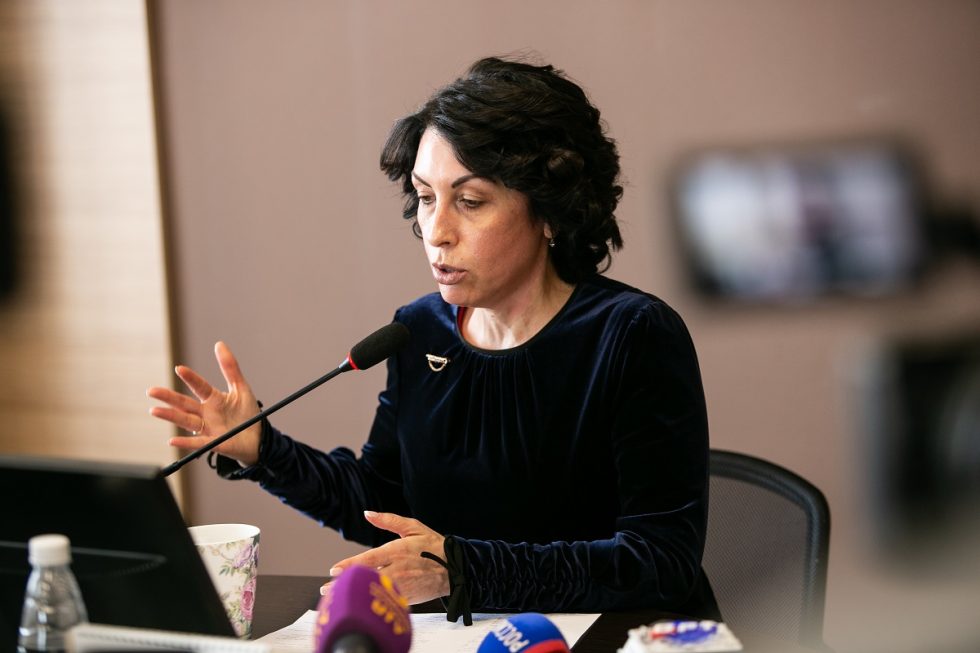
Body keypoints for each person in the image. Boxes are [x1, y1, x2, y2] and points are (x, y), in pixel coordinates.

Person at [147, 56, 719, 622]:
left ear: (550, 212)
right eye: (425, 198)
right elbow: (380, 500)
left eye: (470, 201)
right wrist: (263, 450)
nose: (436, 232)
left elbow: (661, 561)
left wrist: (461, 570)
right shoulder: (419, 330)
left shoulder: (632, 334)